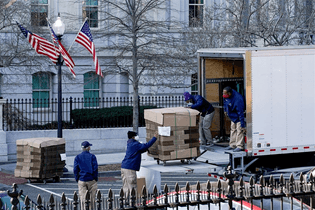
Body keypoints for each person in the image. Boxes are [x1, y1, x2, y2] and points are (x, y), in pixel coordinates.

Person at [121, 131, 158, 200]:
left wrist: (146, 149)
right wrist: (154, 138)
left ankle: (123, 201)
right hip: (130, 168)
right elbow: (146, 145)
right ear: (133, 137)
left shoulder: (130, 144)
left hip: (124, 167)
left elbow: (140, 150)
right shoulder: (135, 144)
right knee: (133, 186)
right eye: (136, 135)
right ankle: (133, 202)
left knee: (126, 186)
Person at [73, 141, 98, 210]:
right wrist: (95, 178)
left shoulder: (77, 157)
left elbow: (75, 169)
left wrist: (77, 178)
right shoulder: (92, 156)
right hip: (91, 179)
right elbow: (95, 168)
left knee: (83, 200)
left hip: (82, 179)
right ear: (88, 148)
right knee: (92, 200)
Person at [223, 86, 246, 152]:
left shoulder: (238, 99)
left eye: (225, 94)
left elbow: (240, 112)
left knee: (239, 131)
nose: (224, 95)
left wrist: (242, 124)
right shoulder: (226, 95)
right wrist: (225, 110)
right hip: (232, 116)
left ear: (230, 93)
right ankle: (232, 144)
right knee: (233, 130)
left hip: (238, 117)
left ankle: (239, 146)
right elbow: (225, 102)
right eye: (223, 93)